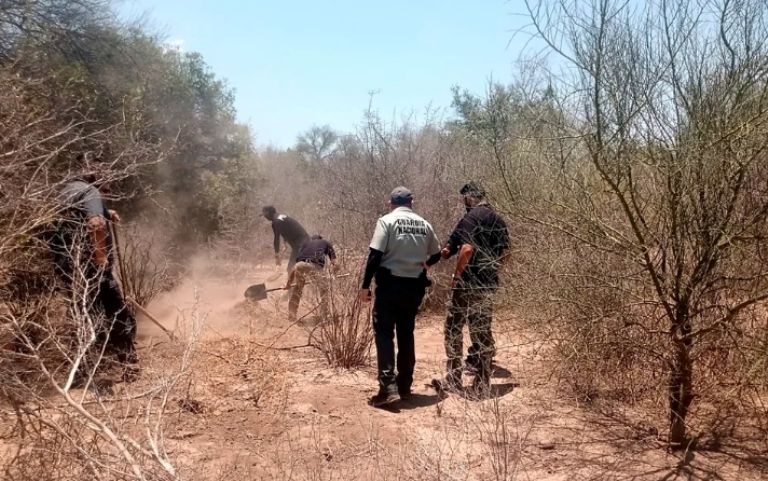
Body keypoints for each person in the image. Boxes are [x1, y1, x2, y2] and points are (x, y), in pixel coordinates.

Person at [50, 176, 139, 381]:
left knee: (82, 315)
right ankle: (128, 365)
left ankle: (82, 372)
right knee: (117, 314)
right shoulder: (91, 192)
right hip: (92, 271)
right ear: (97, 179)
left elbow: (78, 217)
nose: (108, 188)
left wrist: (107, 211)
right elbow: (96, 224)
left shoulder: (64, 191)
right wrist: (101, 259)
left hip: (67, 270)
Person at [360, 187, 442, 407]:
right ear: (411, 202)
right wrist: (427, 264)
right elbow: (436, 253)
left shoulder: (386, 221)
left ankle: (388, 388)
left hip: (390, 286)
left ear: (391, 203)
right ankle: (404, 385)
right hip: (414, 288)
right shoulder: (424, 224)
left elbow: (375, 254)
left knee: (384, 334)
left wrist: (365, 286)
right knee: (407, 334)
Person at [432, 182, 510, 398]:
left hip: (467, 284)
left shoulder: (471, 217)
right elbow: (506, 254)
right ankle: (482, 382)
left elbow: (466, 249)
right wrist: (491, 270)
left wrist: (457, 277)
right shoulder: (498, 220)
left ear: (468, 198)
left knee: (453, 328)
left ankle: (454, 378)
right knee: (481, 331)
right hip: (487, 285)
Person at [285, 235, 336, 321]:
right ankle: (324, 316)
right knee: (324, 291)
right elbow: (334, 262)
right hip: (315, 266)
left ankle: (292, 315)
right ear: (321, 239)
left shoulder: (306, 244)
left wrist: (288, 284)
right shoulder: (326, 242)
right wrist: (333, 274)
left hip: (300, 265)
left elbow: (296, 267)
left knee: (297, 289)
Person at [262, 205, 310, 273]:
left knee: (291, 269)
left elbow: (276, 239)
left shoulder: (276, 221)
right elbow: (286, 228)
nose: (265, 217)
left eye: (265, 214)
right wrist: (285, 243)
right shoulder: (281, 216)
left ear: (269, 213)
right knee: (298, 268)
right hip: (305, 241)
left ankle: (295, 282)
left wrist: (277, 255)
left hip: (300, 244)